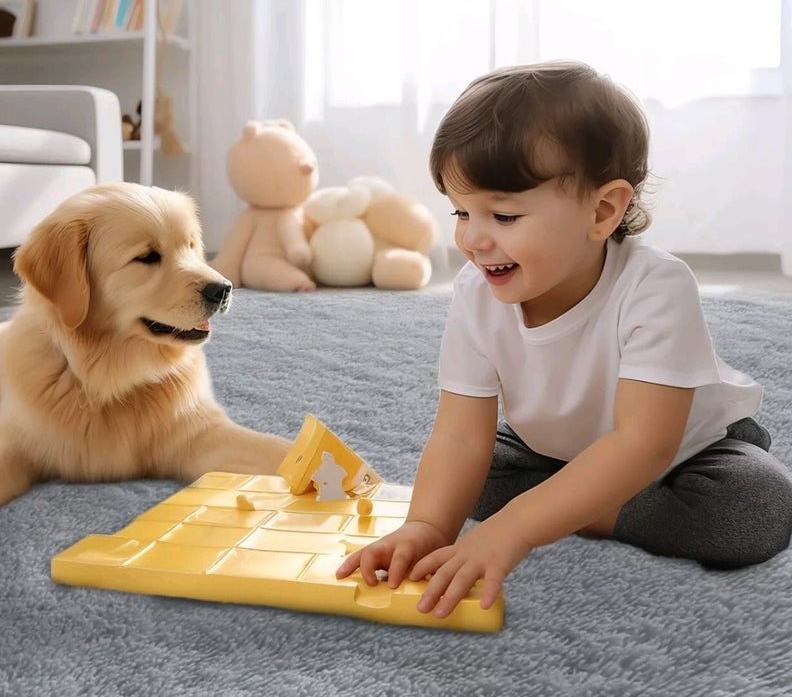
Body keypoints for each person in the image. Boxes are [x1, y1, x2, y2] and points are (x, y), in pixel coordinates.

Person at [336, 60, 792, 618]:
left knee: (753, 510)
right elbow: (459, 437)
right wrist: (427, 526)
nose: (472, 239)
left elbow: (642, 445)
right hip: (549, 447)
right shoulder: (476, 294)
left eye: (503, 216)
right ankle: (574, 496)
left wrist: (516, 529)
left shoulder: (656, 285)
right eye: (461, 211)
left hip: (680, 449)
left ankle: (567, 499)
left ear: (602, 211)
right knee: (469, 483)